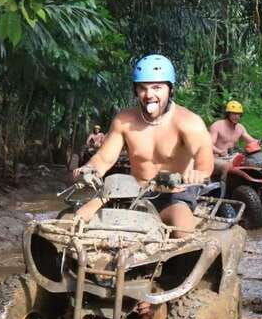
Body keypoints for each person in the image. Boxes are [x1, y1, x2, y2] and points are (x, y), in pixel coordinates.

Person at [73, 54, 213, 234]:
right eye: (143, 88)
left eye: (157, 87)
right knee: (78, 218)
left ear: (170, 89)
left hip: (174, 194)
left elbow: (203, 152)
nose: (149, 95)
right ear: (136, 90)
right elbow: (103, 157)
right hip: (130, 190)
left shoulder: (187, 121)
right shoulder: (124, 120)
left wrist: (199, 172)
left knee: (183, 232)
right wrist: (89, 169)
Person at [209, 100, 262, 177]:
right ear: (228, 114)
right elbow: (208, 145)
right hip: (217, 159)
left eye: (239, 114)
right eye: (234, 114)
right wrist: (219, 151)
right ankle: (224, 188)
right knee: (228, 166)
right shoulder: (217, 126)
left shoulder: (240, 128)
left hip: (233, 157)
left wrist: (261, 142)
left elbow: (252, 141)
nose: (237, 116)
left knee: (254, 162)